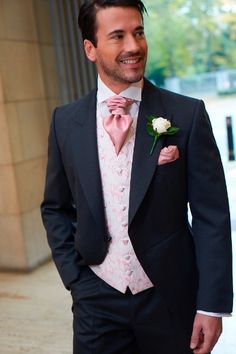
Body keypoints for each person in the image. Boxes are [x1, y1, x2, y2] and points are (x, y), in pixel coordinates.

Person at [41, 1, 233, 353]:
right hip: (96, 299)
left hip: (171, 299)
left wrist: (211, 304)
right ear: (90, 48)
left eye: (138, 32)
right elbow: (55, 207)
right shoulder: (65, 122)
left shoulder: (186, 115)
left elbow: (212, 216)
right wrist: (76, 279)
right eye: (117, 36)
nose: (133, 46)